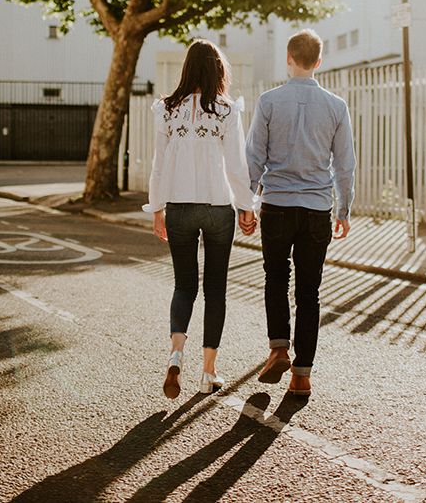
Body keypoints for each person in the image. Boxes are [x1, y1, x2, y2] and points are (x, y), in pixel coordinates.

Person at [143, 39, 257, 399]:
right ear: (217, 70)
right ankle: (208, 372)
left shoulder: (167, 109)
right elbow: (237, 165)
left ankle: (176, 353)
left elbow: (158, 165)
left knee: (184, 286)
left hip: (179, 206)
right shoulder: (226, 109)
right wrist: (247, 206)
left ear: (187, 69)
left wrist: (157, 208)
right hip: (217, 205)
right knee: (216, 290)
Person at [246, 28, 355, 397]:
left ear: (289, 59)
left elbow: (254, 158)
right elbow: (345, 164)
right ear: (319, 62)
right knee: (309, 291)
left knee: (276, 278)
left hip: (276, 204)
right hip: (316, 209)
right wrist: (344, 209)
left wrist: (247, 202)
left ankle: (279, 347)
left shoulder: (269, 101)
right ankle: (302, 376)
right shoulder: (337, 106)